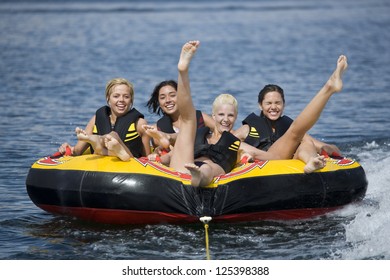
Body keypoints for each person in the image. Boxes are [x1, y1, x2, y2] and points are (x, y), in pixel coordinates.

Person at [107, 41, 348, 187]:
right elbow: (169, 149)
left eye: (230, 116)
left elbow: (261, 156)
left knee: (295, 132)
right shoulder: (200, 131)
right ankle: (183, 69)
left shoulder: (236, 140)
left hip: (211, 167)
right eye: (221, 116)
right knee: (189, 125)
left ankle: (328, 87)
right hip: (186, 163)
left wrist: (260, 156)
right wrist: (156, 155)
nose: (225, 120)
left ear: (236, 118)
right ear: (212, 117)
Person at [234, 84, 342, 173]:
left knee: (307, 142)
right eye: (268, 103)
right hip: (260, 167)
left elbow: (321, 145)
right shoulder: (247, 129)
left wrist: (330, 150)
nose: (273, 107)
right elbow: (226, 144)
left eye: (278, 103)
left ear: (284, 105)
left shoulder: (290, 128)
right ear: (260, 105)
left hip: (288, 167)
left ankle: (312, 162)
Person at [58, 77, 151, 160]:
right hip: (104, 160)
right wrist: (68, 149)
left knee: (113, 135)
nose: (121, 100)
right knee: (109, 138)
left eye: (126, 97)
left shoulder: (140, 124)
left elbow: (147, 159)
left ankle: (98, 141)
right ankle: (102, 146)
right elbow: (77, 152)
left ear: (131, 100)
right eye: (116, 96)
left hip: (130, 161)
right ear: (108, 99)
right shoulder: (96, 119)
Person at [146, 79, 214, 148]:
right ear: (159, 103)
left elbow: (222, 133)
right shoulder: (157, 129)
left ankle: (169, 137)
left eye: (172, 95)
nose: (168, 100)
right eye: (162, 97)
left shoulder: (200, 117)